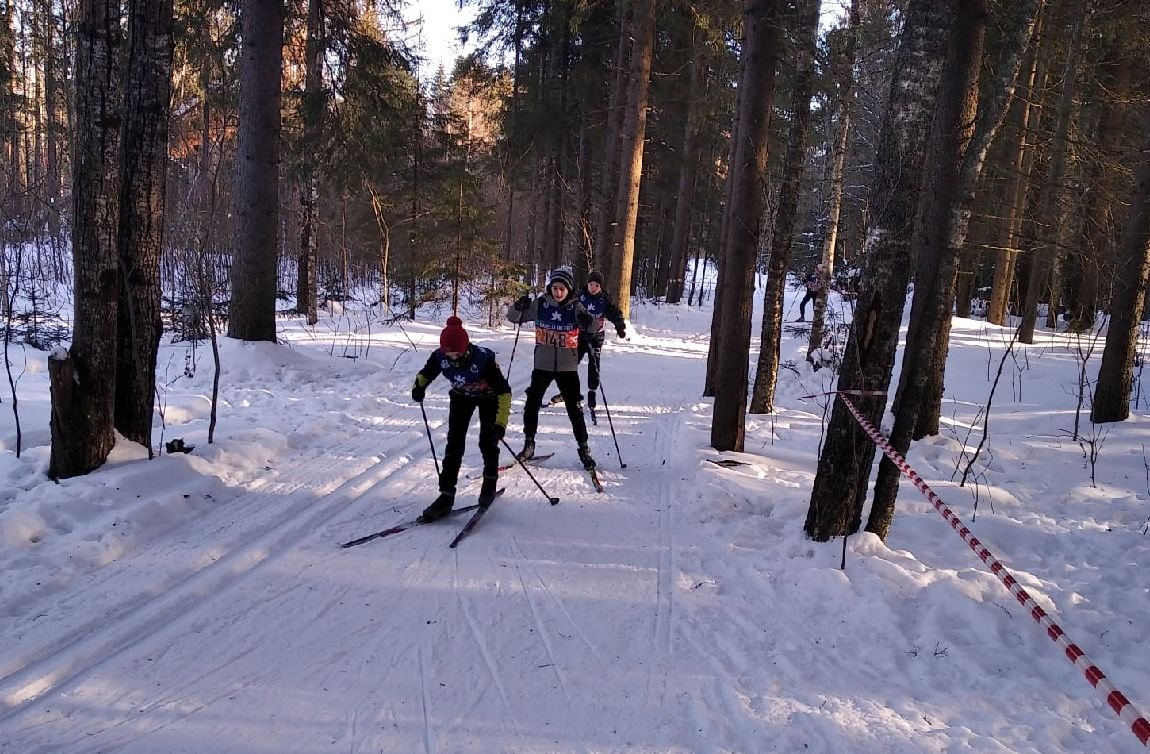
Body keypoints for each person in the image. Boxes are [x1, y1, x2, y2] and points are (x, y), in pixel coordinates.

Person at [410, 316, 512, 522]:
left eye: (456, 352)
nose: (452, 357)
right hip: (461, 397)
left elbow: (504, 393)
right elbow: (426, 374)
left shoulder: (483, 360)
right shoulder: (440, 356)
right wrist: (418, 387)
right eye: (448, 352)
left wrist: (500, 424)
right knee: (454, 444)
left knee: (487, 441)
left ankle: (490, 483)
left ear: (465, 348)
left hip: (489, 398)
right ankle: (446, 496)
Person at [507, 268, 598, 470]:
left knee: (574, 409)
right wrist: (518, 306)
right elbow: (514, 317)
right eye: (555, 288)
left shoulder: (575, 307)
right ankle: (529, 444)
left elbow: (594, 327)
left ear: (569, 290)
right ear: (550, 288)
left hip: (567, 368)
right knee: (532, 404)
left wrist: (587, 322)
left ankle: (584, 449)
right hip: (543, 365)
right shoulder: (541, 304)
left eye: (562, 289)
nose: (558, 292)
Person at [574, 270, 626, 415]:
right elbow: (570, 310)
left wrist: (620, 326)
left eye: (596, 285)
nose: (593, 287)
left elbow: (615, 313)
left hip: (596, 337)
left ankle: (592, 391)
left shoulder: (604, 300)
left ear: (601, 287)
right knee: (571, 362)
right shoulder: (580, 296)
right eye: (591, 284)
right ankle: (569, 391)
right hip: (580, 336)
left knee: (594, 363)